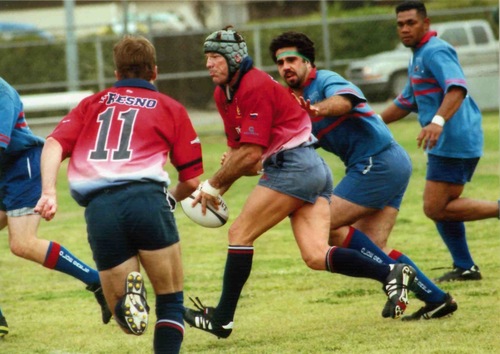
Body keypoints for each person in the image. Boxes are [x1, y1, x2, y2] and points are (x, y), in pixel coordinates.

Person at [183, 26, 417, 340]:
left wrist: (211, 186)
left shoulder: (253, 85)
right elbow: (242, 154)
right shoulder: (223, 93)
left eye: (215, 57)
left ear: (234, 59)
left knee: (240, 233)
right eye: (206, 57)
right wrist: (217, 186)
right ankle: (389, 271)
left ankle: (222, 319)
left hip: (294, 168)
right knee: (316, 255)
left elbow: (251, 153)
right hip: (310, 168)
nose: (209, 64)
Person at [269, 31, 458, 320]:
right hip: (387, 163)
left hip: (377, 162)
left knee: (322, 224)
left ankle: (390, 276)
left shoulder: (325, 82)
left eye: (292, 59)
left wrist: (318, 108)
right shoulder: (296, 102)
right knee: (373, 246)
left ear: (308, 62)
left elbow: (344, 101)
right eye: (280, 63)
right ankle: (436, 299)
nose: (286, 67)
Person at [35, 35, 203, 353]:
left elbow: (53, 143)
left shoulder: (91, 104)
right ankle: (141, 305)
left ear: (116, 74)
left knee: (127, 321)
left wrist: (48, 192)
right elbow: (192, 181)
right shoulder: (170, 107)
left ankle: (128, 301)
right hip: (147, 201)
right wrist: (169, 201)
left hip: (100, 210)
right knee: (170, 301)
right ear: (154, 71)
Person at [380, 0, 499, 282]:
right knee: (444, 205)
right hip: (445, 141)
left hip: (454, 138)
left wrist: (437, 121)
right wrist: (370, 121)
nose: (405, 29)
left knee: (435, 207)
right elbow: (406, 101)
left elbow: (456, 88)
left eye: (411, 23)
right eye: (400, 24)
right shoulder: (418, 55)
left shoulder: (436, 50)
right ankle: (465, 267)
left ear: (426, 23)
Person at [0, 77, 111, 325]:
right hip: (4, 170)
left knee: (22, 243)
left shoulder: (2, 93)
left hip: (22, 167)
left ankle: (97, 281)